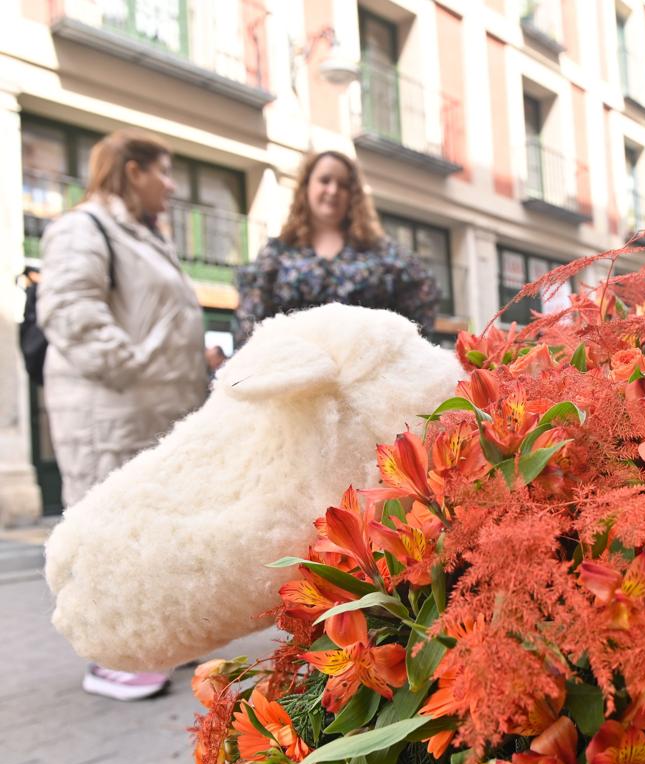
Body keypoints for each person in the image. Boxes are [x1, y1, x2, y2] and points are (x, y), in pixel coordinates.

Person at [37, 128, 208, 700]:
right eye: (161, 171)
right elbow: (68, 310)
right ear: (131, 170)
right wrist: (131, 365)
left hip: (150, 410)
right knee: (103, 530)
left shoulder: (141, 236)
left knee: (148, 529)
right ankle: (108, 656)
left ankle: (150, 642)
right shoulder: (84, 227)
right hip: (107, 412)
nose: (169, 185)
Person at [234, 150, 439, 347]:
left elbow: (424, 292)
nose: (333, 190)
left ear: (353, 194)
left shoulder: (380, 251)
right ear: (307, 186)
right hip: (293, 375)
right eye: (325, 180)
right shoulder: (277, 253)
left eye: (343, 185)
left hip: (365, 375)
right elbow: (250, 323)